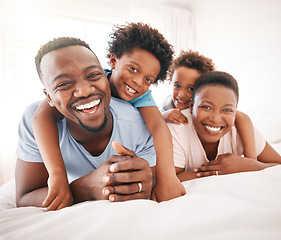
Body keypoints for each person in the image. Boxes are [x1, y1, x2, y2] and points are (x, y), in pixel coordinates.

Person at [31, 23, 185, 210]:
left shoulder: (142, 96)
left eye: (148, 80)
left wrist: (167, 177)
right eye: (133, 69)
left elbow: (158, 127)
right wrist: (57, 176)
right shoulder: (92, 78)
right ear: (113, 62)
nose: (138, 82)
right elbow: (40, 117)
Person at [16, 37, 156, 210]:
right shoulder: (34, 121)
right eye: (64, 84)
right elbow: (24, 197)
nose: (85, 90)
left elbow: (153, 182)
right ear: (49, 98)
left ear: (106, 77)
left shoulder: (139, 124)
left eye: (94, 75)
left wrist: (144, 180)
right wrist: (86, 187)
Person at [167, 71, 281, 182]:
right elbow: (170, 179)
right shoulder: (177, 127)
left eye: (227, 110)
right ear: (191, 106)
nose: (216, 118)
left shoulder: (241, 129)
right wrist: (220, 171)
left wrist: (249, 165)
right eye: (207, 107)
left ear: (235, 111)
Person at [161, 50, 257, 159]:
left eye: (191, 88)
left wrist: (251, 160)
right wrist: (163, 116)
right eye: (177, 86)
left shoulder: (221, 112)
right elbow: (152, 122)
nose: (182, 94)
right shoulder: (167, 105)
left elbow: (243, 118)